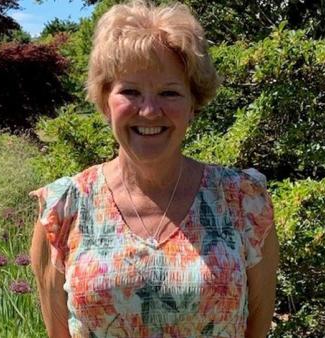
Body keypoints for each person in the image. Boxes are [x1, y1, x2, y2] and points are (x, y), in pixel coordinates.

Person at [30, 1, 280, 337]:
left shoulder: (242, 201)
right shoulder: (64, 210)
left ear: (194, 103)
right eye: (130, 91)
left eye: (169, 92)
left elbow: (258, 327)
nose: (149, 111)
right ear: (106, 102)